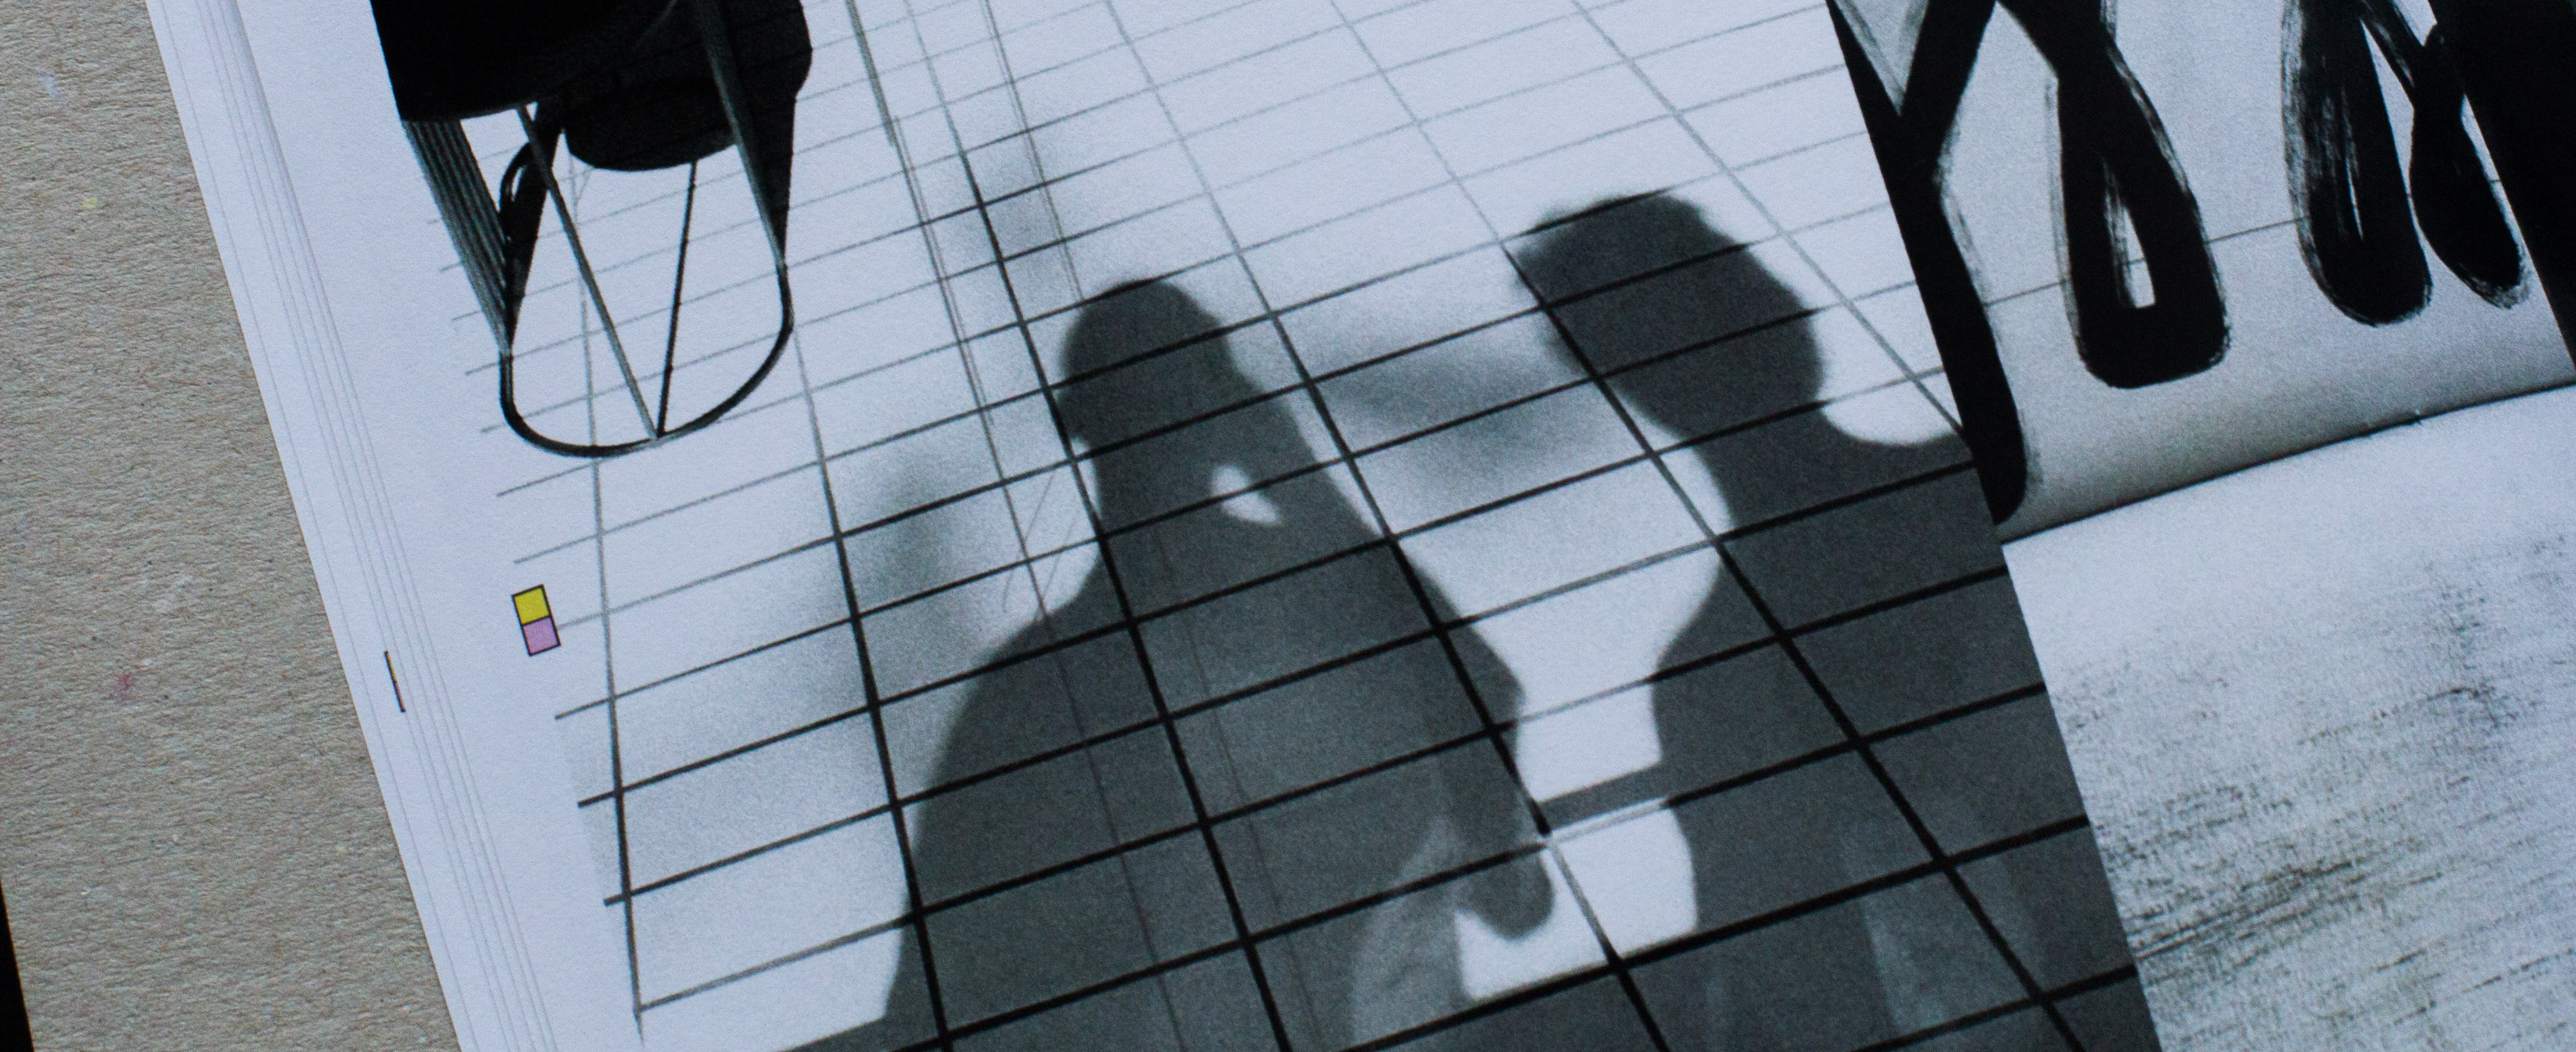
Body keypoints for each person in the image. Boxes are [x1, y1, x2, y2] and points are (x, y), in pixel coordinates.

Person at [854, 279, 1550, 1051]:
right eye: (1179, 389)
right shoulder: (1339, 610)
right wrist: (1306, 492)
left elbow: (930, 995)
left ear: (1074, 422)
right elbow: (1510, 879)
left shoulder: (1031, 691)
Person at [1516, 195, 2143, 1052]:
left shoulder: (1713, 678)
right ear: (1650, 380)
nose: (1759, 301)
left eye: (1735, 266)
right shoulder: (1717, 684)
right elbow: (1792, 986)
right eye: (1706, 295)